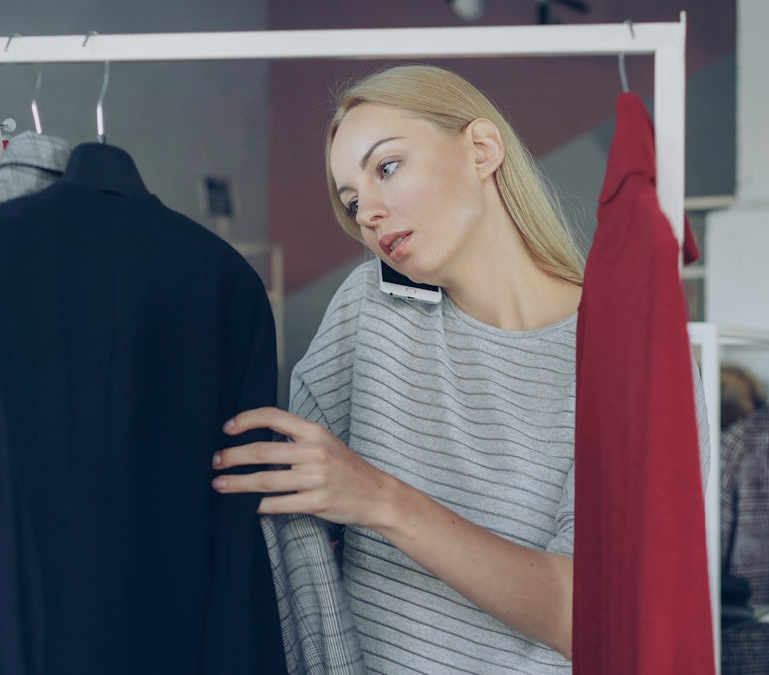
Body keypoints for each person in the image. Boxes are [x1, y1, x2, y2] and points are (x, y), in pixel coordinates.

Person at [212, 64, 584, 673]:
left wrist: (378, 498)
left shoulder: (617, 351)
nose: (366, 213)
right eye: (351, 198)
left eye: (387, 167)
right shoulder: (372, 303)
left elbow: (587, 617)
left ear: (482, 149)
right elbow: (288, 522)